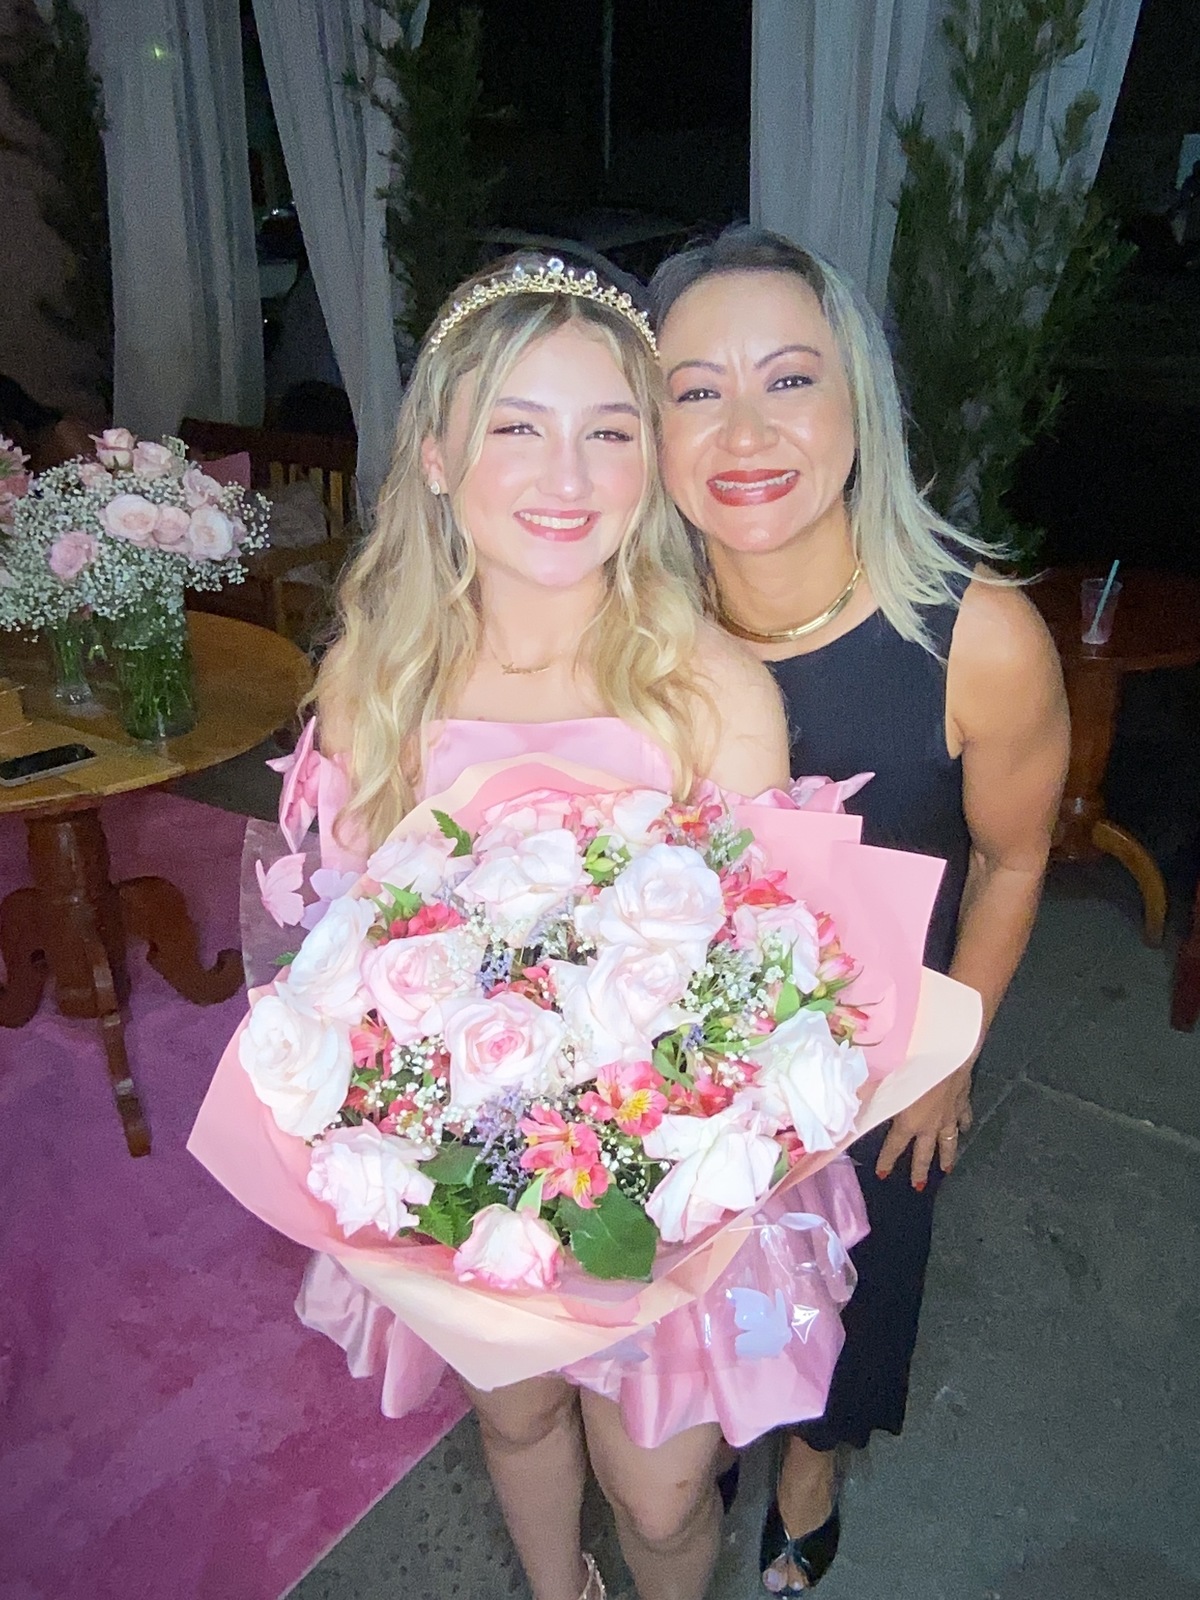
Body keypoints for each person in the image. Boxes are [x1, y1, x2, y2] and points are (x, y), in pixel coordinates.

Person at [302, 253, 797, 1600]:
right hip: (463, 1170)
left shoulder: (709, 691)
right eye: (518, 425)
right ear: (438, 454)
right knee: (516, 1418)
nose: (567, 476)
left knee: (663, 1489)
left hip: (664, 1178)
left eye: (611, 432)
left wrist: (655, 1145)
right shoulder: (375, 680)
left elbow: (766, 978)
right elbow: (345, 955)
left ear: (651, 465)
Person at [649, 227, 1070, 1594]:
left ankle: (814, 1461)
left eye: (789, 378)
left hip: (883, 1054)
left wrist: (952, 1051)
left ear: (858, 405)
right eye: (696, 391)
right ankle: (721, 1408)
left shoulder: (976, 636)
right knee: (707, 1278)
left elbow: (1013, 861)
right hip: (690, 1068)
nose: (745, 431)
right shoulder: (634, 632)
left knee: (863, 1276)